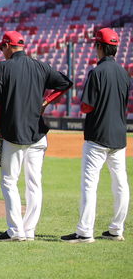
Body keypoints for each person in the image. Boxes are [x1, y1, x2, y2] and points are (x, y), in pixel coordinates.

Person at [0, 31, 72, 241]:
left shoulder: (3, 67)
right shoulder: (40, 66)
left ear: (7, 46)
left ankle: (15, 231)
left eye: (2, 47)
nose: (1, 52)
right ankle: (29, 230)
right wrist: (46, 101)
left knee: (9, 181)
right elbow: (65, 83)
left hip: (13, 133)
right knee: (34, 183)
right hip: (38, 134)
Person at [61, 28, 130, 243]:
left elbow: (86, 107)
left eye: (96, 44)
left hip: (98, 136)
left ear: (99, 46)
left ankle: (85, 232)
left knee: (90, 185)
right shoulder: (124, 73)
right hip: (119, 136)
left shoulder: (97, 72)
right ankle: (117, 230)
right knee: (121, 184)